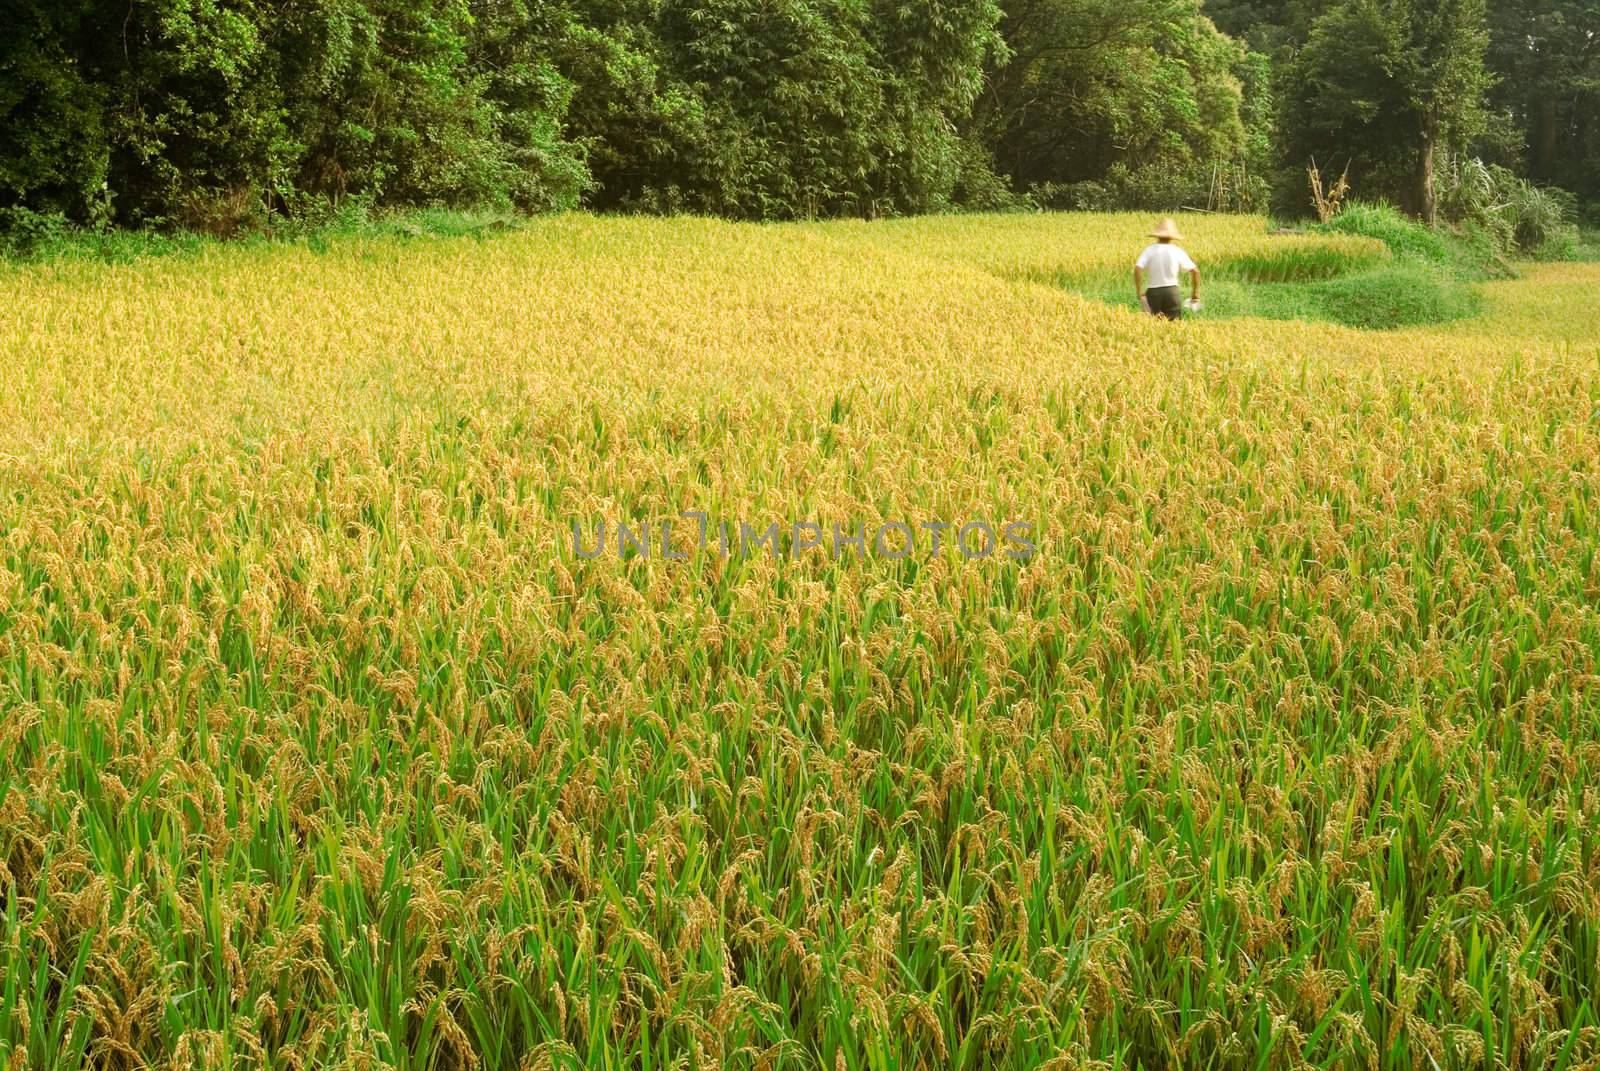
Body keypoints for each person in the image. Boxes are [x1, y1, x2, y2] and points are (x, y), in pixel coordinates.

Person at [1134, 218, 1200, 320]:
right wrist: (1195, 293)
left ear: (1157, 235)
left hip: (1153, 293)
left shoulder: (1149, 250)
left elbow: (1137, 268)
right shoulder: (1177, 251)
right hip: (1172, 293)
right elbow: (1195, 271)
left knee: (1150, 326)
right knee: (1173, 327)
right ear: (1172, 236)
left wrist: (1139, 291)